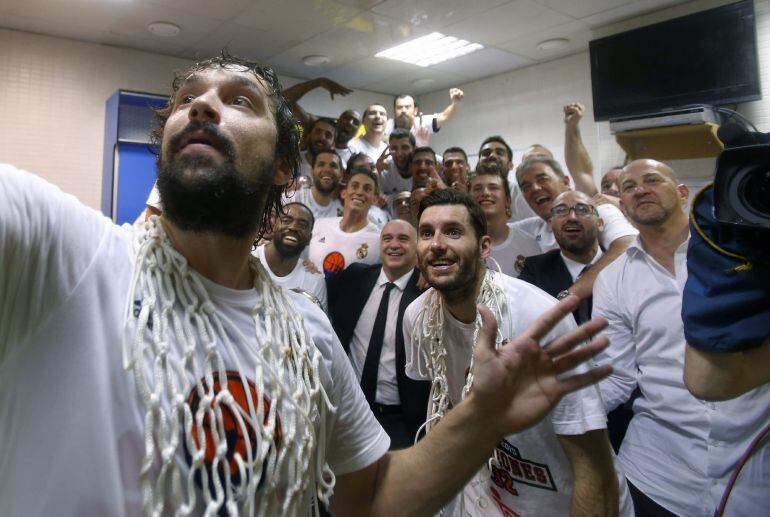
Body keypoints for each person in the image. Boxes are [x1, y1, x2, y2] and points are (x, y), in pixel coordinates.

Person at [0, 52, 614, 516]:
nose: (202, 105)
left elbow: (372, 497)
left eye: (240, 100)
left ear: (283, 172)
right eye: (188, 97)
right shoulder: (67, 257)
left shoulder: (305, 335)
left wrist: (482, 417)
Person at [404, 189, 632, 517]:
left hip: (560, 499)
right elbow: (449, 403)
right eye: (427, 233)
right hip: (486, 491)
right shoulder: (418, 317)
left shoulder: (535, 316)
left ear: (484, 247)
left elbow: (590, 464)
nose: (437, 243)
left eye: (453, 232)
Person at [593, 159, 770, 516]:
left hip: (754, 466)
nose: (640, 189)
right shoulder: (612, 279)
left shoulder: (744, 256)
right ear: (622, 206)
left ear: (684, 193)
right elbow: (616, 377)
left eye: (653, 180)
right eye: (628, 187)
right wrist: (558, 403)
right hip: (657, 470)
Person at [326, 220, 430, 449]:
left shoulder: (429, 292)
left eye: (403, 239)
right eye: (387, 238)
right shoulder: (355, 278)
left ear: (417, 248)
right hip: (349, 412)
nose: (394, 245)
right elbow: (321, 290)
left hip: (401, 422)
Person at [513, 156, 637, 299]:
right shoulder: (534, 270)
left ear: (600, 223)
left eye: (582, 210)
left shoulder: (626, 266)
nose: (571, 217)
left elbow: (629, 244)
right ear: (551, 224)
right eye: (560, 211)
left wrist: (568, 297)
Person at [468, 162, 541, 277]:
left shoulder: (530, 245)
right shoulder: (460, 246)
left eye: (493, 187)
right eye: (478, 189)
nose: (485, 193)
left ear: (508, 200)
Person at [253, 202, 327, 311]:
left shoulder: (314, 281)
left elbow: (317, 327)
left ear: (309, 238)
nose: (293, 227)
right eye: (286, 221)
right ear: (274, 226)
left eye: (302, 225)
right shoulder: (248, 259)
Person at [308, 169, 382, 276]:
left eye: (367, 189)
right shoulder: (319, 224)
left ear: (375, 199)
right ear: (343, 193)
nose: (360, 192)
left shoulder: (379, 240)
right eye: (354, 186)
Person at [385, 90, 465, 146]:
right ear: (394, 110)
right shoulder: (387, 125)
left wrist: (456, 103)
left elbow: (445, 116)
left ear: (415, 110)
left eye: (407, 107)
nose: (403, 110)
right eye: (399, 107)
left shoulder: (422, 122)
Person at [284, 148, 343, 219]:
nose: (327, 170)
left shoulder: (340, 214)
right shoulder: (291, 199)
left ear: (341, 174)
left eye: (333, 166)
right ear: (312, 171)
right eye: (321, 164)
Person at [375, 128, 415, 197]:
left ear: (414, 148)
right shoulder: (385, 171)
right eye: (394, 148)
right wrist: (376, 173)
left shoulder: (426, 164)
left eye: (405, 147)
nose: (399, 153)